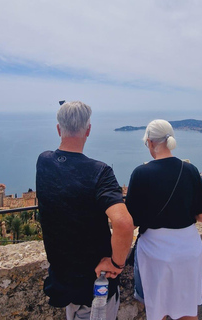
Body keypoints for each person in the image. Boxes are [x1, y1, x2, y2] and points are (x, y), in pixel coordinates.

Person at [36, 101, 134, 320]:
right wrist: (117, 263)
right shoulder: (99, 172)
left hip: (62, 281)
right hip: (95, 282)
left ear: (58, 129)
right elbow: (124, 223)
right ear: (88, 130)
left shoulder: (43, 161)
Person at [125, 119, 202, 320]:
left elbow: (131, 221)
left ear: (149, 142)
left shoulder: (141, 173)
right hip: (189, 252)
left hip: (156, 255)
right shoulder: (189, 170)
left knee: (159, 311)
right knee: (188, 311)